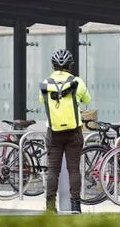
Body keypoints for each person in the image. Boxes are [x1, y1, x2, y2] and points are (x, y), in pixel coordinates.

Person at [38, 49, 91, 214]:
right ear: (70, 65)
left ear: (53, 65)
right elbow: (87, 100)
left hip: (53, 132)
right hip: (74, 132)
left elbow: (42, 102)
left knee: (53, 169)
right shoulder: (78, 82)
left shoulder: (46, 83)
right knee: (73, 169)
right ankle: (75, 205)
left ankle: (50, 206)